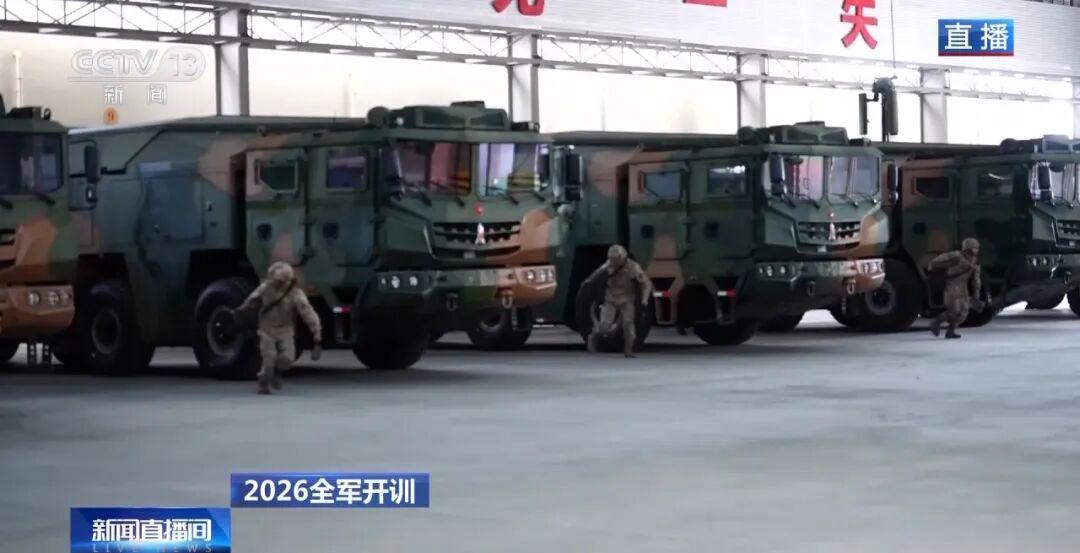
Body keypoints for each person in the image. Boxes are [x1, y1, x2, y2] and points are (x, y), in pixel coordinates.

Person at [236, 262, 322, 394]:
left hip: (285, 328)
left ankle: (277, 371)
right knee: (269, 359)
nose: (276, 283)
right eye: (275, 280)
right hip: (266, 328)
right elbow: (252, 299)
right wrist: (241, 310)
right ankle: (263, 383)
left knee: (287, 358)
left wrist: (316, 331)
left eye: (280, 281)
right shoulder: (266, 288)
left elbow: (307, 312)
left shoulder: (295, 293)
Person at [583, 245, 651, 357]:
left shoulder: (633, 267)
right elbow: (596, 274)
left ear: (622, 258)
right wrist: (588, 283)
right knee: (605, 326)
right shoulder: (608, 265)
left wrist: (644, 300)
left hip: (627, 299)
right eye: (611, 259)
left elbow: (646, 284)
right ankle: (594, 335)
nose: (613, 262)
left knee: (628, 326)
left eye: (615, 259)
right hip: (611, 298)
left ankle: (628, 351)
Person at [928, 238, 985, 340]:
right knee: (954, 310)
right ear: (968, 248)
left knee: (963, 311)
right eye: (974, 248)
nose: (976, 250)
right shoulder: (957, 256)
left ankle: (951, 331)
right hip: (952, 285)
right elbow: (944, 257)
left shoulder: (975, 262)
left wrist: (977, 291)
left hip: (963, 287)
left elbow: (976, 279)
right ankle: (936, 322)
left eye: (977, 248)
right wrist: (933, 263)